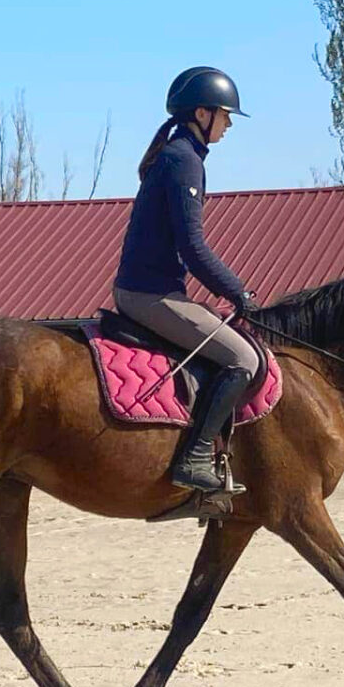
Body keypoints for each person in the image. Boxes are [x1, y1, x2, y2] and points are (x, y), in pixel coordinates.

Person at [114, 66, 263, 494]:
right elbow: (193, 248)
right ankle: (195, 458)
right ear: (202, 113)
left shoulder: (180, 155)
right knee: (243, 360)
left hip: (154, 289)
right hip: (149, 294)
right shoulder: (184, 161)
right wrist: (239, 292)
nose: (229, 123)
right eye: (225, 114)